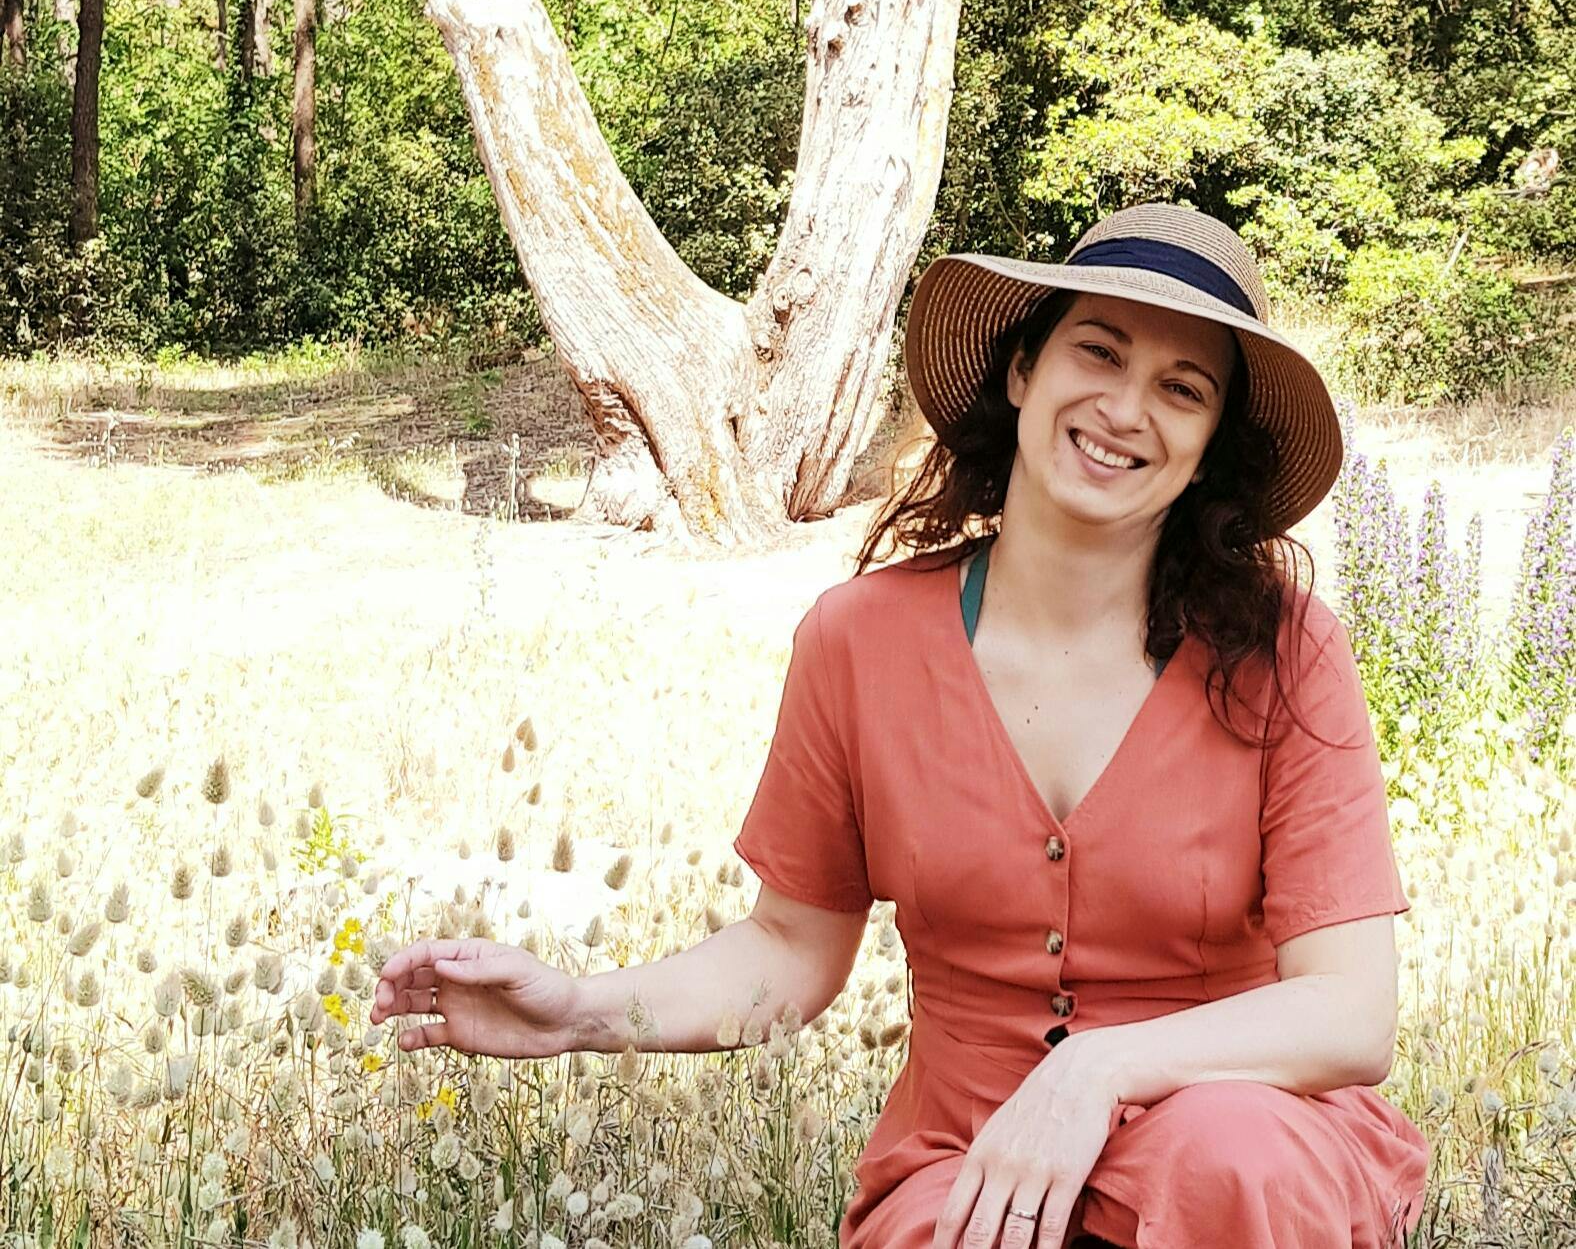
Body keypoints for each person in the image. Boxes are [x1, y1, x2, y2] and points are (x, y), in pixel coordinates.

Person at [370, 202, 1431, 1249]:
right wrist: (576, 1011)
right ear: (1023, 371)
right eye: (1098, 351)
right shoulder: (859, 641)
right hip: (967, 1162)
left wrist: (1098, 1068)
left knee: (1224, 1152)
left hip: (1235, 1159)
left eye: (1181, 388)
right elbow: (790, 949)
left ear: (1209, 447)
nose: (1124, 408)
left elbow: (1349, 1011)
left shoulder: (1285, 651)